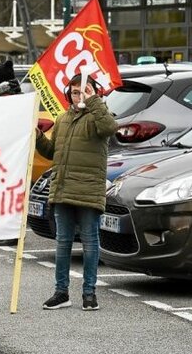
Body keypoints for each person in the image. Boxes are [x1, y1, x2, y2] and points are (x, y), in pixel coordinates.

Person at [35, 73, 118, 311]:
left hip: (88, 191)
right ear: (68, 95)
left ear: (94, 92)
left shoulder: (99, 116)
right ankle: (61, 293)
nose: (79, 95)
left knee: (90, 242)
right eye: (74, 92)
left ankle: (89, 294)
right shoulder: (62, 119)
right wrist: (39, 136)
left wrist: (93, 102)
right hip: (62, 190)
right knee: (63, 243)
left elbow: (110, 127)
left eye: (84, 90)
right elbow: (51, 152)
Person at [0, 60, 22, 247]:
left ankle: (12, 232)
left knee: (11, 194)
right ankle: (6, 230)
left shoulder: (9, 98)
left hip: (11, 155)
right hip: (6, 154)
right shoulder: (8, 96)